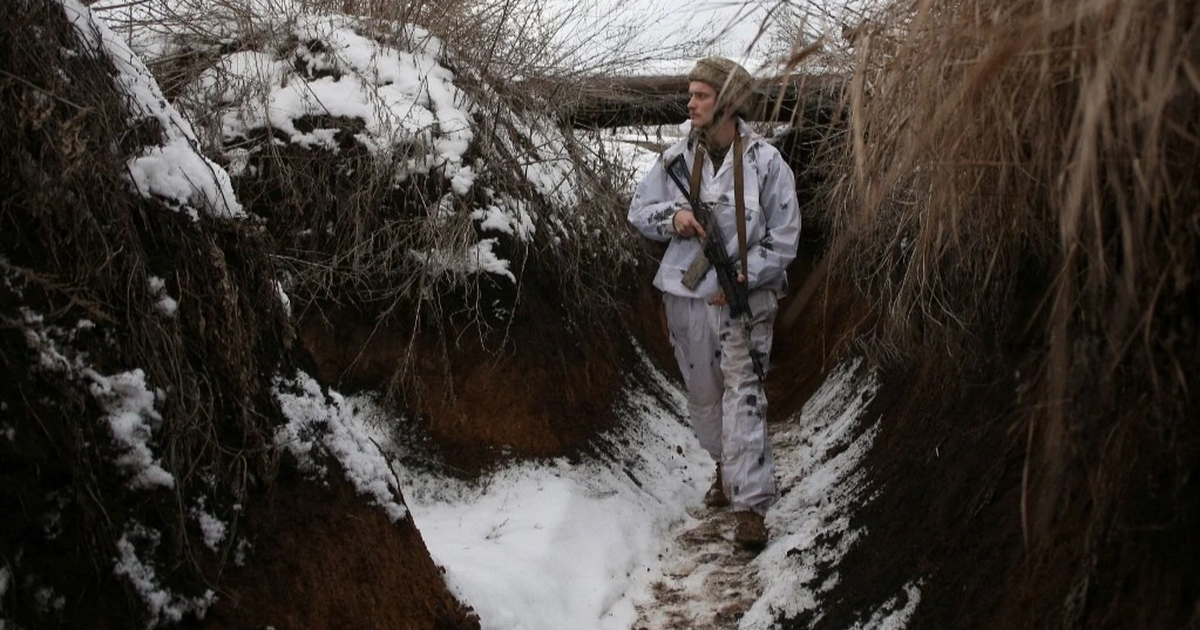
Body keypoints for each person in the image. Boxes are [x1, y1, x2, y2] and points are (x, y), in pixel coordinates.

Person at [627, 57, 800, 550]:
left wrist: (747, 274)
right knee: (704, 392)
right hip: (687, 293)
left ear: (725, 102)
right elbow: (639, 210)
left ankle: (751, 508)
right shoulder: (676, 160)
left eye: (701, 94)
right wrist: (675, 216)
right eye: (691, 94)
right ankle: (725, 466)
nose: (691, 102)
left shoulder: (767, 163)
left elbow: (786, 236)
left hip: (747, 299)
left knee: (743, 393)